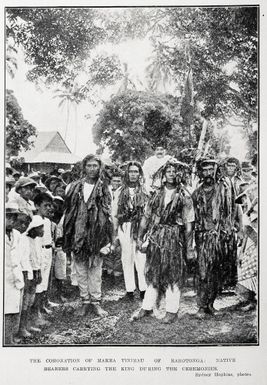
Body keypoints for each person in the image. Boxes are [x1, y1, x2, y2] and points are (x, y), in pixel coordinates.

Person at [132, 159, 195, 323]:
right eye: (169, 171)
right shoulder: (156, 195)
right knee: (153, 273)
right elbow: (146, 218)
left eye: (175, 172)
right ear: (163, 175)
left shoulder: (184, 196)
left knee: (173, 275)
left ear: (179, 174)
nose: (172, 174)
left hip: (174, 238)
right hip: (157, 238)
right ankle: (146, 307)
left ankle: (172, 311)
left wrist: (189, 248)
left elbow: (189, 224)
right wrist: (140, 237)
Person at [192, 159, 243, 318]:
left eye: (210, 170)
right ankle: (201, 306)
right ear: (201, 173)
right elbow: (191, 218)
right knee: (203, 272)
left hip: (222, 237)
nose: (208, 173)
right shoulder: (197, 193)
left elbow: (236, 208)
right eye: (205, 170)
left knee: (217, 272)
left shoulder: (225, 189)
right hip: (203, 237)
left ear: (216, 171)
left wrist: (239, 229)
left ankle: (210, 304)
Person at [63, 154, 113, 317]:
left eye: (95, 166)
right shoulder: (74, 186)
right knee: (80, 269)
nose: (92, 169)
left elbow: (108, 213)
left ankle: (96, 302)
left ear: (100, 168)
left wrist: (106, 237)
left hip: (97, 233)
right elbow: (68, 212)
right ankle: (85, 301)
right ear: (84, 167)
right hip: (78, 232)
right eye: (89, 165)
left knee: (96, 268)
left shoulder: (105, 187)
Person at [112, 161, 148, 301]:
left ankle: (144, 290)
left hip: (141, 227)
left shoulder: (145, 190)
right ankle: (130, 290)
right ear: (126, 173)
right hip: (125, 226)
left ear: (140, 174)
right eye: (131, 171)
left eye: (136, 171)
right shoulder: (120, 191)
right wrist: (115, 233)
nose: (133, 174)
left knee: (141, 258)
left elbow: (149, 212)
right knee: (127, 258)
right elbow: (115, 213)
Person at [16, 215, 45, 337]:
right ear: (33, 229)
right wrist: (29, 275)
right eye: (40, 228)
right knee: (25, 301)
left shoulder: (36, 240)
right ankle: (21, 328)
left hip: (34, 272)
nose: (43, 231)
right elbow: (25, 259)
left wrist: (38, 273)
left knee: (31, 300)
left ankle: (28, 325)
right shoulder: (24, 239)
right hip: (27, 273)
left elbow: (37, 258)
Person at [33, 192, 55, 321]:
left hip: (48, 250)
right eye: (45, 206)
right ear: (37, 206)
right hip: (39, 252)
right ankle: (36, 315)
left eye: (50, 206)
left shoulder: (47, 221)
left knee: (45, 281)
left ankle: (41, 307)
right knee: (38, 284)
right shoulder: (35, 220)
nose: (49, 208)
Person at [5, 202, 25, 344]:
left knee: (14, 309)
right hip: (4, 277)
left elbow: (20, 254)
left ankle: (11, 337)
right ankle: (5, 340)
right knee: (5, 310)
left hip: (16, 275)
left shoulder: (17, 234)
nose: (11, 220)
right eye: (8, 217)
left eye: (14, 218)